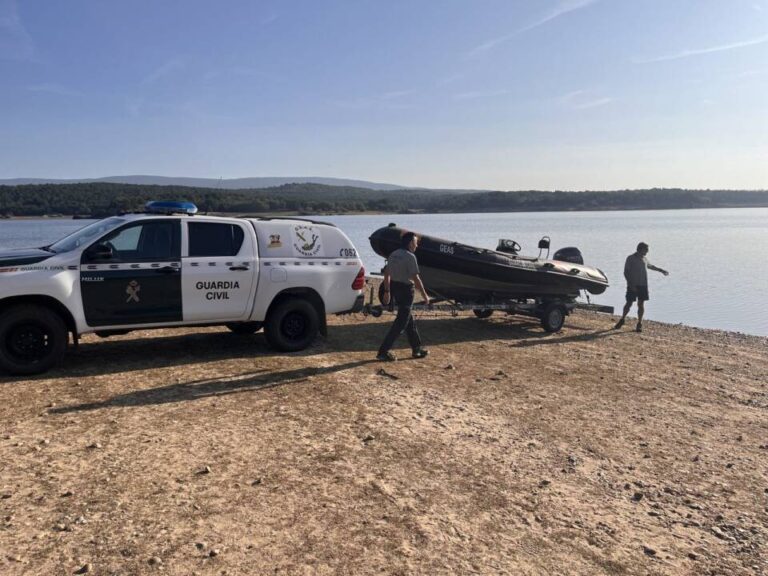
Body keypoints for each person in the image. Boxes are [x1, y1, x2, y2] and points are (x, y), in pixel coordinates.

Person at [376, 231, 430, 361]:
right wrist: (425, 295)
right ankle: (383, 351)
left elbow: (387, 274)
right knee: (400, 323)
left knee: (408, 320)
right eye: (416, 243)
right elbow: (416, 279)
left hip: (395, 289)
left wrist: (387, 292)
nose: (416, 246)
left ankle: (416, 349)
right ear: (411, 243)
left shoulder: (393, 254)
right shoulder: (410, 257)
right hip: (406, 291)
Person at [614, 242, 669, 332]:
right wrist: (630, 284)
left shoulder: (644, 259)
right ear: (640, 249)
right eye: (646, 249)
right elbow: (626, 272)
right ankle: (622, 319)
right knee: (629, 303)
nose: (647, 251)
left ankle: (639, 323)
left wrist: (661, 270)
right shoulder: (630, 258)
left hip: (643, 285)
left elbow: (650, 266)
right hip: (633, 284)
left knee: (641, 304)